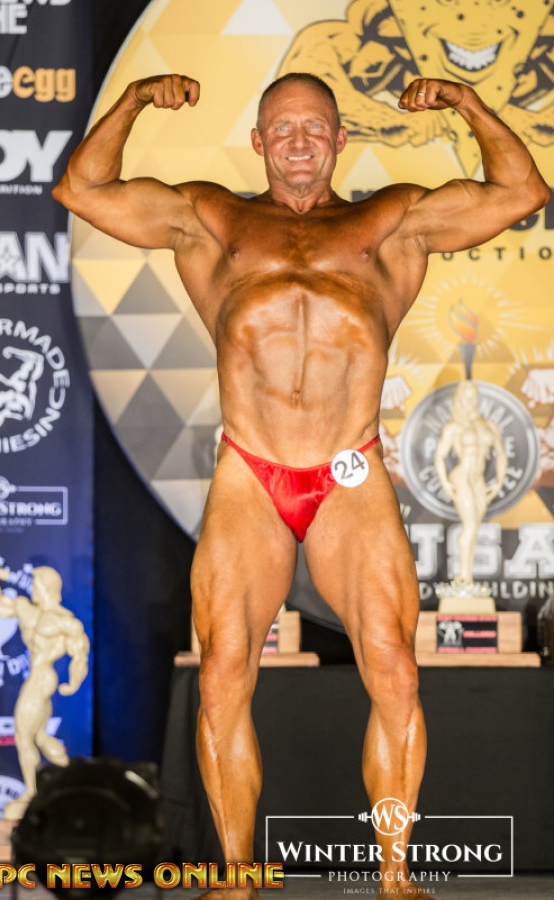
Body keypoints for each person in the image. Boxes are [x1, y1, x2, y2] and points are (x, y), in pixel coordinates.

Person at [53, 73, 549, 897]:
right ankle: (237, 876)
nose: (298, 140)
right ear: (258, 141)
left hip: (348, 471)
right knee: (223, 675)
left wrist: (467, 104)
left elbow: (521, 191)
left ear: (339, 139)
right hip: (251, 471)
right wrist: (134, 100)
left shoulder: (390, 222)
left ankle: (395, 876)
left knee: (394, 670)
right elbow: (83, 189)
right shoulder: (212, 219)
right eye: (282, 127)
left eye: (314, 126)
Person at [0, 566, 89, 820]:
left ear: (46, 587)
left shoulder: (63, 620)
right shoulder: (25, 608)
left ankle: (31, 792)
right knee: (40, 736)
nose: (31, 589)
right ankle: (70, 778)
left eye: (35, 584)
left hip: (42, 678)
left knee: (23, 736)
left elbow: (80, 651)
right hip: (37, 677)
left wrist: (74, 682)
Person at [434, 380, 507, 586]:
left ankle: (468, 577)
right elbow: (440, 455)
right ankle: (463, 576)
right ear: (459, 399)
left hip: (478, 480)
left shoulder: (488, 426)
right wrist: (445, 482)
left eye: (473, 396)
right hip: (462, 477)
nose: (470, 400)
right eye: (466, 397)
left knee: (474, 527)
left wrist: (499, 481)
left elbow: (501, 454)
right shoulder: (454, 427)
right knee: (470, 525)